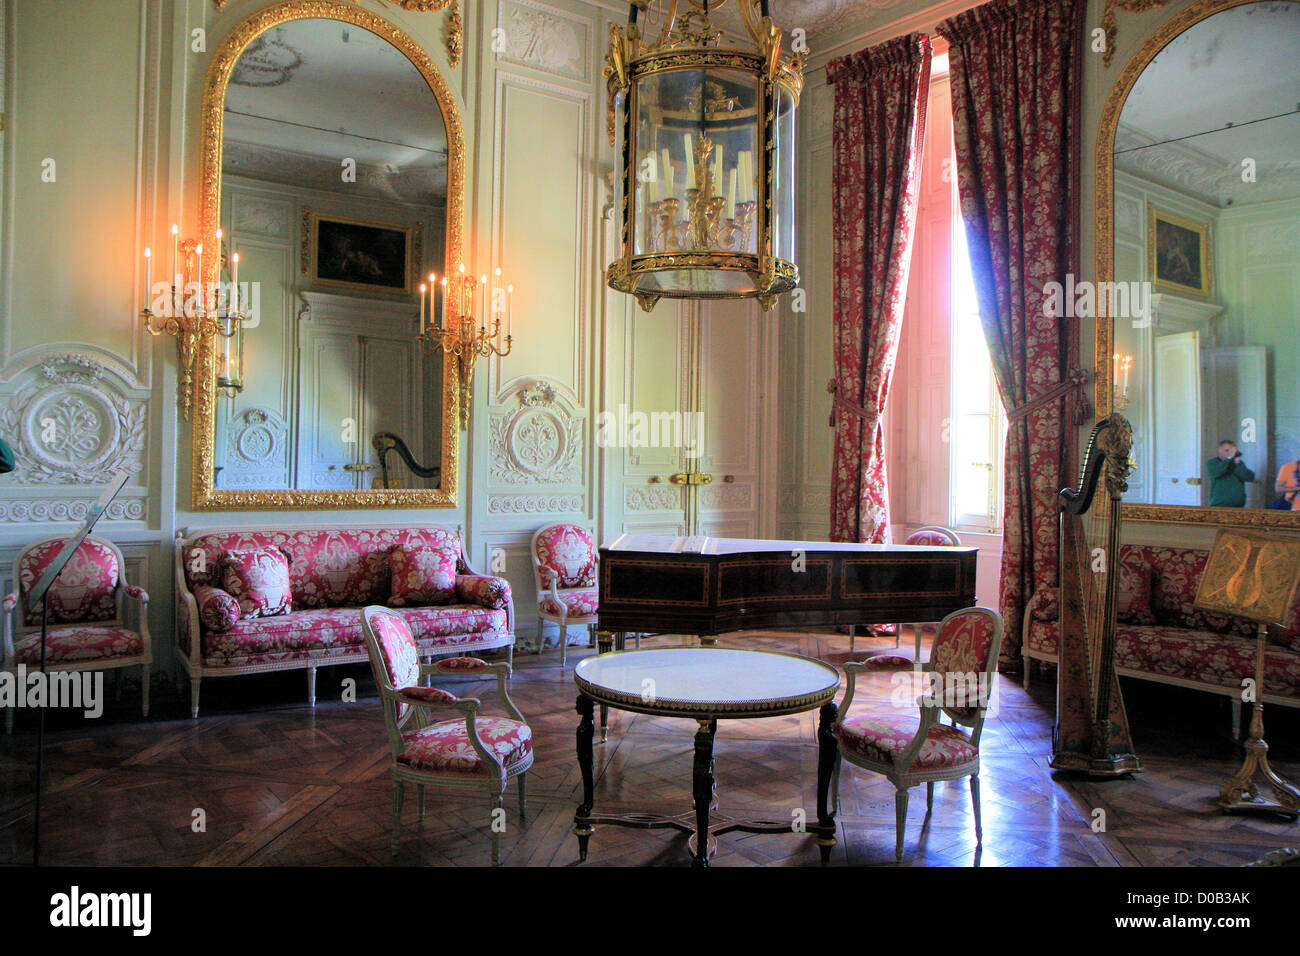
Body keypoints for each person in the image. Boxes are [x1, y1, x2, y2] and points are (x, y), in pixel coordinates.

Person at [1206, 440, 1254, 507]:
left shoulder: (1238, 463)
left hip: (1238, 505)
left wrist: (1238, 462)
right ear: (1220, 451)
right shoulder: (1212, 463)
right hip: (1219, 504)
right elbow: (1217, 473)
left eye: (1233, 451)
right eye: (1227, 450)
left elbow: (1248, 477)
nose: (1231, 453)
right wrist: (1228, 458)